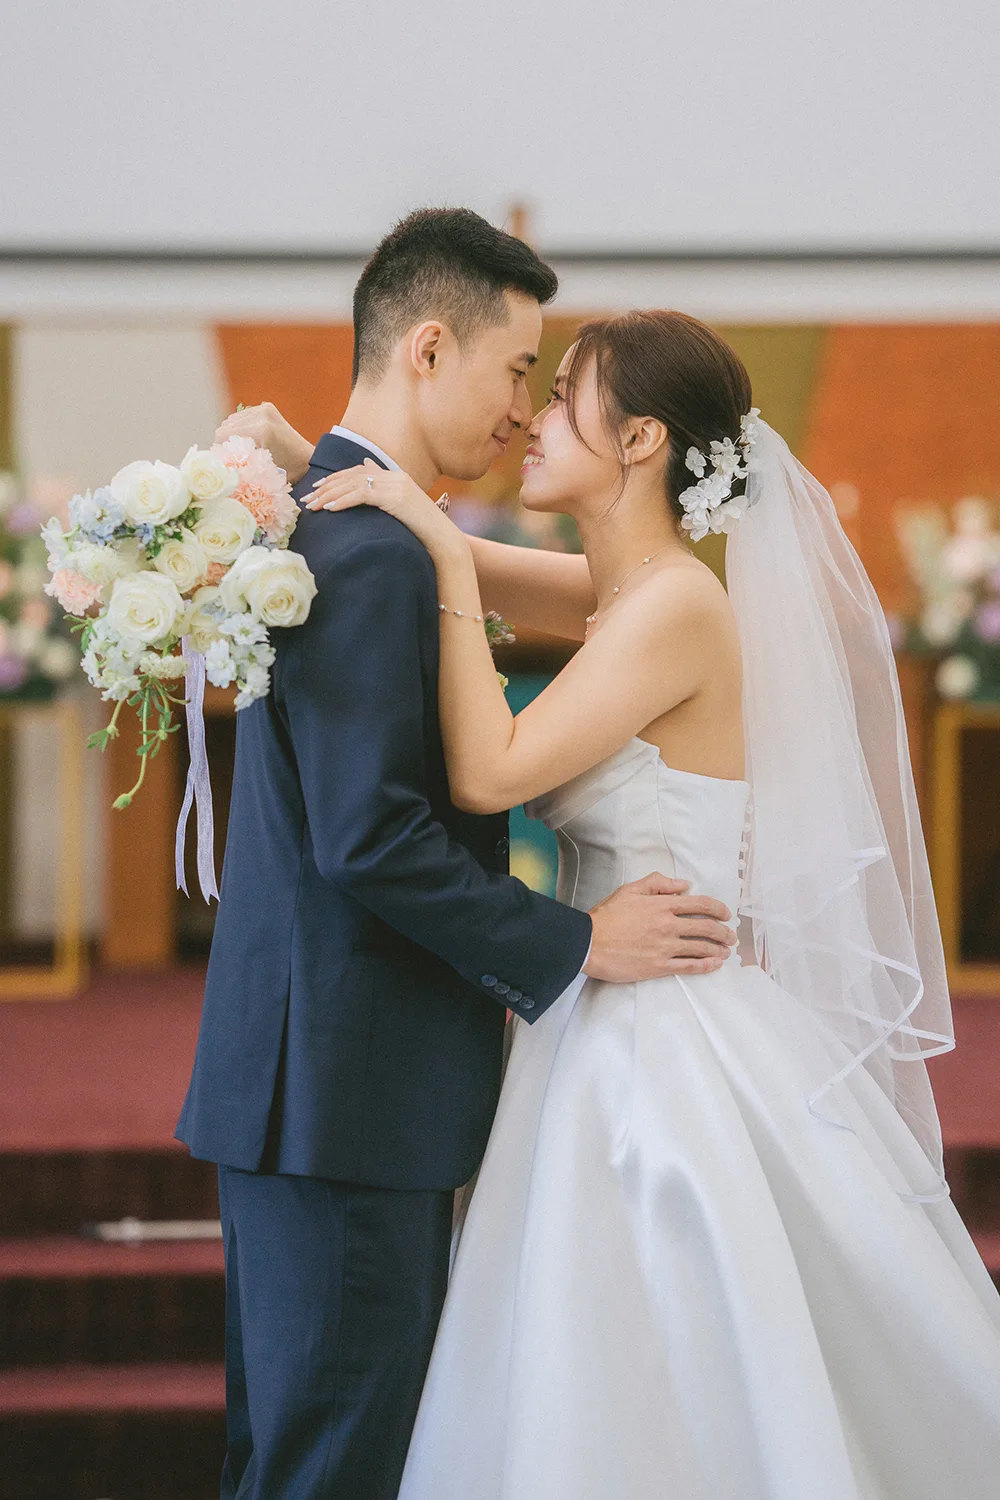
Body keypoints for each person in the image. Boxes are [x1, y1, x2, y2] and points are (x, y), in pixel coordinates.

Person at [310, 309, 1000, 1499]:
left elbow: (492, 772)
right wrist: (315, 470)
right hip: (596, 1002)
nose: (528, 418)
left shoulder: (675, 608)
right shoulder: (626, 586)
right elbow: (490, 571)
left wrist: (432, 531)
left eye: (561, 391)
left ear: (637, 438)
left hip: (666, 1028)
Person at [176, 213, 738, 1500]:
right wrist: (576, 940)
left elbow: (591, 606)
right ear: (431, 347)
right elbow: (375, 834)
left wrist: (383, 502)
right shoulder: (371, 548)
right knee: (328, 1462)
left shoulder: (357, 528)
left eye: (553, 390)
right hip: (347, 1095)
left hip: (312, 1078)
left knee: (288, 1455)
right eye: (519, 369)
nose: (524, 409)